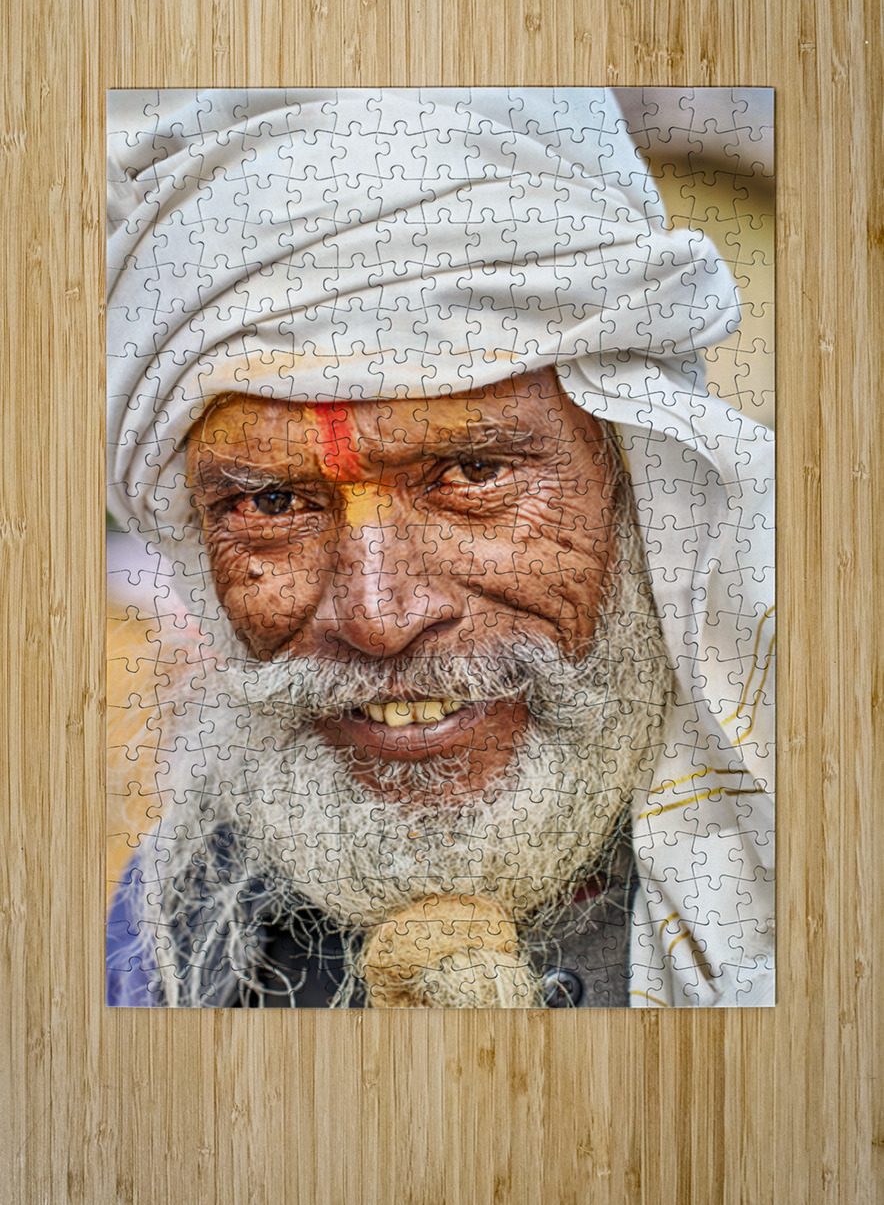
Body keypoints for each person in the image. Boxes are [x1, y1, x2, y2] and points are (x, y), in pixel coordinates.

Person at [106, 88, 774, 1009]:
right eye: (272, 501)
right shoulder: (169, 942)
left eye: (472, 473)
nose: (379, 616)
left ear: (633, 479)